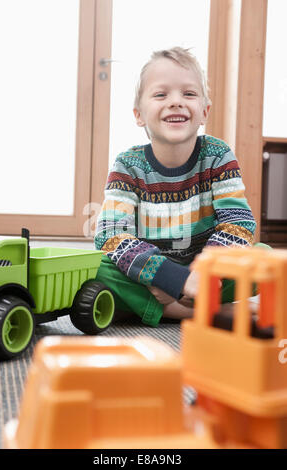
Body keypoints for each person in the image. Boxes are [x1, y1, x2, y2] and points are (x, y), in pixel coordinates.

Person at [94, 46, 259, 326]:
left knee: (262, 258)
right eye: (161, 94)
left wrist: (202, 274)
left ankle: (164, 307)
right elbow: (110, 234)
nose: (176, 102)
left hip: (206, 275)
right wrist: (170, 278)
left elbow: (239, 222)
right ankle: (201, 313)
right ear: (139, 115)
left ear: (204, 111)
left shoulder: (218, 155)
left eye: (189, 94)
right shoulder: (127, 164)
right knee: (96, 268)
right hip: (150, 275)